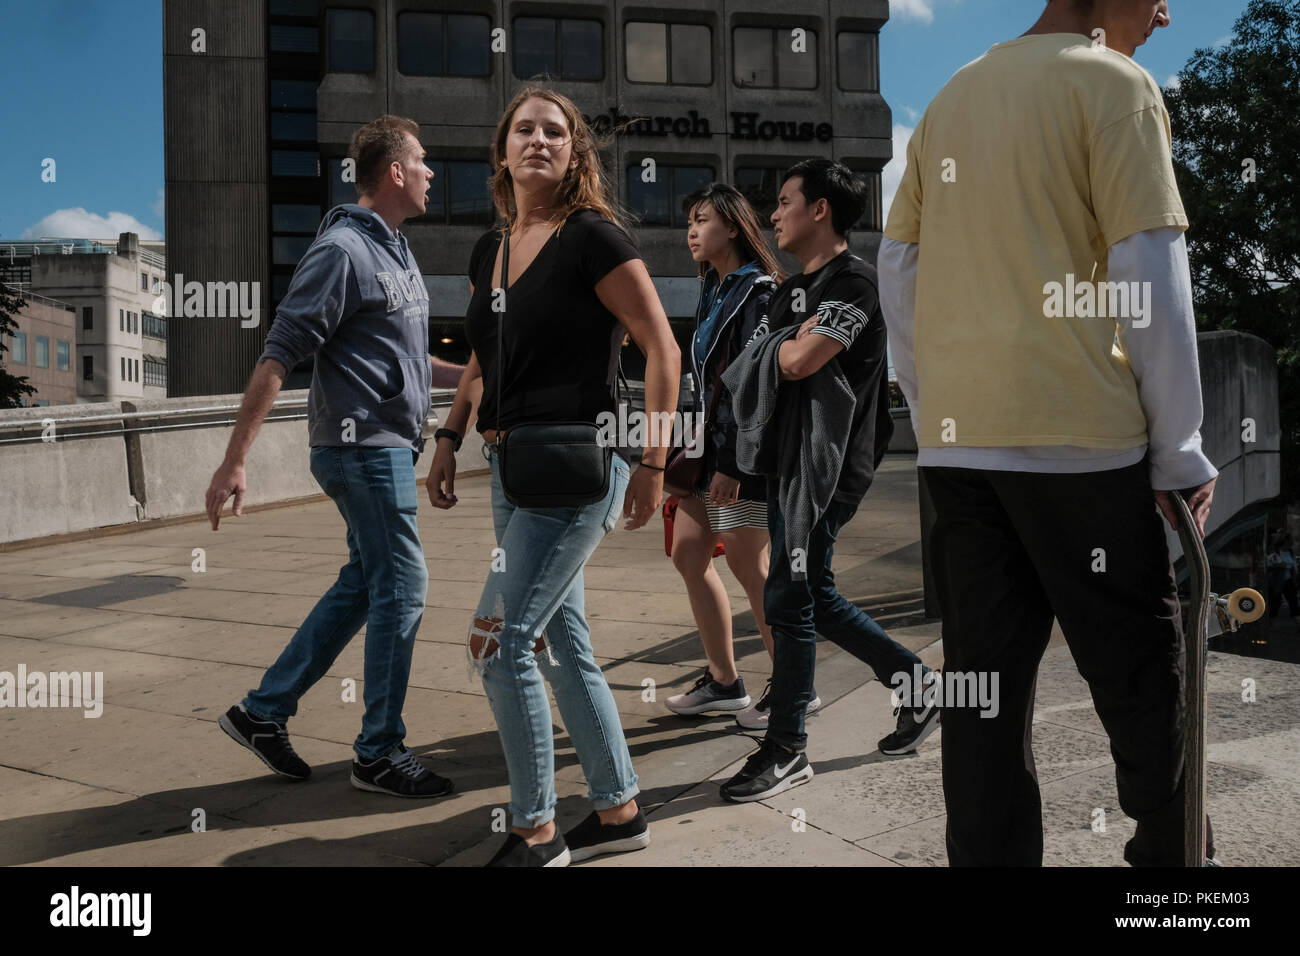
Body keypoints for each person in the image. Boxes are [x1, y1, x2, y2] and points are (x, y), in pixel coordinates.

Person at [879, 0, 1220, 866]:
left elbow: (899, 270)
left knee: (981, 701)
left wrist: (935, 413)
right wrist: (1179, 448)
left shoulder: (954, 95)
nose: (1166, 12)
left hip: (962, 455)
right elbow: (1149, 264)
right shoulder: (1115, 84)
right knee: (1143, 687)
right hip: (1082, 445)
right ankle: (1174, 883)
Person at [426, 87, 681, 867]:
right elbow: (482, 356)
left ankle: (536, 829)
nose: (539, 140)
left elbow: (661, 349)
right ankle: (619, 810)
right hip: (509, 467)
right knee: (562, 642)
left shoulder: (592, 238)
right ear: (502, 148)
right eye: (525, 129)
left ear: (574, 153)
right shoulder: (491, 249)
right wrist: (449, 437)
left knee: (496, 644)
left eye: (556, 131)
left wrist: (654, 463)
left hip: (578, 468)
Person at [208, 115, 466, 797]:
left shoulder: (398, 253)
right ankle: (378, 752)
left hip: (387, 447)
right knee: (403, 588)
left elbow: (410, 361)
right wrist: (235, 460)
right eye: (423, 160)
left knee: (366, 583)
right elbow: (280, 351)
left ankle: (263, 712)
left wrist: (468, 374)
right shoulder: (345, 252)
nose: (432, 172)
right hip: (362, 450)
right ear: (394, 173)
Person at [718, 159, 940, 805]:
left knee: (790, 596)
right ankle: (919, 686)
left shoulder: (856, 285)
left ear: (820, 209)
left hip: (830, 467)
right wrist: (784, 343)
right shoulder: (790, 290)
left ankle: (786, 747)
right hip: (788, 462)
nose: (774, 215)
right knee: (808, 590)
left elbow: (795, 360)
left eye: (785, 201)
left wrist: (785, 345)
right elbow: (757, 360)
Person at [664, 184, 807, 727]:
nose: (691, 231)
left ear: (733, 226)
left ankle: (795, 687)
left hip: (740, 458)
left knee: (753, 567)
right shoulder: (717, 291)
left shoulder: (761, 292)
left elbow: (755, 387)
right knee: (688, 554)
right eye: (690, 222)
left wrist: (733, 465)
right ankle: (724, 681)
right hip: (708, 453)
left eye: (702, 220)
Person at [1266, 533, 1299, 628]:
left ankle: (1298, 622)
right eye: (1289, 541)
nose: (1291, 543)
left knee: (1293, 602)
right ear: (1284, 541)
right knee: (1275, 603)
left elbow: (1292, 566)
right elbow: (1270, 564)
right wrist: (1279, 565)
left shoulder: (1290, 552)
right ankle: (1270, 623)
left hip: (1288, 581)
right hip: (1276, 581)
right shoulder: (1274, 552)